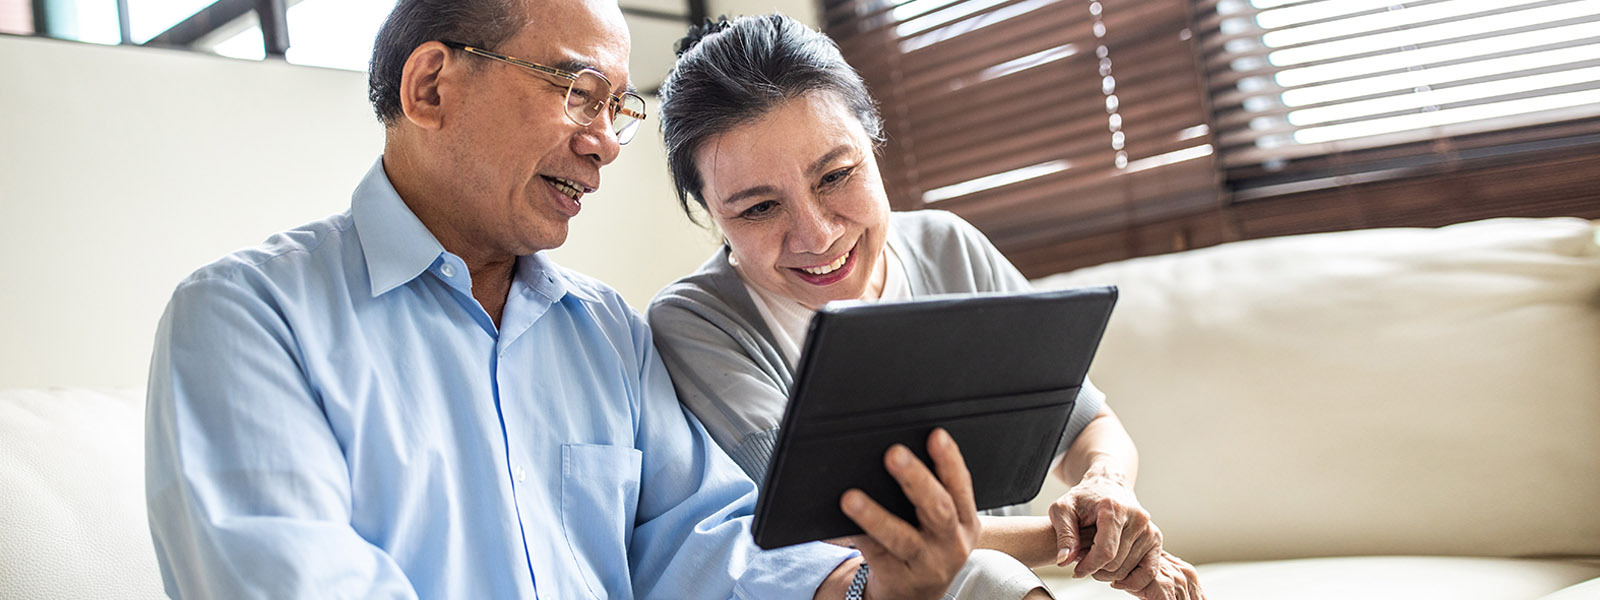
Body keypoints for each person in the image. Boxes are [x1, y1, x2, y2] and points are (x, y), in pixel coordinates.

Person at [143, 0, 985, 598]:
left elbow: (705, 546)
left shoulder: (607, 333)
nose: (605, 145)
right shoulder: (247, 317)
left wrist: (871, 588)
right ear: (430, 86)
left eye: (616, 108)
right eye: (577, 92)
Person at [647, 14, 1204, 600]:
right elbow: (822, 537)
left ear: (874, 144)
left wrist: (1109, 490)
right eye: (759, 209)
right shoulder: (696, 322)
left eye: (836, 175)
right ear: (712, 216)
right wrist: (1078, 539)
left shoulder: (948, 247)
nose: (816, 235)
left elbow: (1087, 426)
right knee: (982, 575)